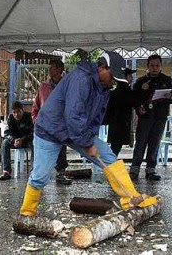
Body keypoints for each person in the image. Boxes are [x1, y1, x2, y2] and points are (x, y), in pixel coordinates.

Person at [16, 52, 157, 222]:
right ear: (102, 67)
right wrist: (87, 143)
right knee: (41, 175)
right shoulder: (80, 79)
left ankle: (131, 199)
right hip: (50, 129)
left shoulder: (103, 87)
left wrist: (90, 138)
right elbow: (73, 115)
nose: (114, 82)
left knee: (107, 156)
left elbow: (96, 117)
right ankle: (27, 213)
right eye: (113, 77)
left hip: (76, 129)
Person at [129, 54, 172, 181]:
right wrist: (139, 104)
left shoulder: (167, 80)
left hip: (160, 117)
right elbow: (133, 99)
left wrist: (170, 97)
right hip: (145, 117)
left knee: (154, 144)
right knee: (140, 143)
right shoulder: (141, 81)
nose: (155, 68)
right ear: (148, 66)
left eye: (157, 66)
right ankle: (134, 170)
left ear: (161, 66)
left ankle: (150, 170)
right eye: (152, 65)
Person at [32, 60, 72, 185]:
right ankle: (37, 176)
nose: (49, 69)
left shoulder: (67, 85)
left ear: (59, 69)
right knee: (41, 151)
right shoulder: (44, 87)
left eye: (52, 67)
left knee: (61, 149)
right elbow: (36, 106)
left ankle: (61, 173)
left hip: (61, 124)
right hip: (45, 125)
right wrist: (36, 120)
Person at [104, 68, 136, 156]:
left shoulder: (118, 90)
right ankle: (110, 165)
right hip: (120, 123)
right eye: (129, 76)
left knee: (115, 147)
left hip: (116, 123)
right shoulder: (125, 90)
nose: (131, 78)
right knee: (115, 148)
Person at [0, 101, 34, 180]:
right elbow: (7, 133)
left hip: (27, 141)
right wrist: (14, 140)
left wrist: (23, 140)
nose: (16, 114)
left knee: (35, 143)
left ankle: (34, 171)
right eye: (14, 112)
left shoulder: (29, 117)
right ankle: (6, 172)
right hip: (15, 141)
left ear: (22, 110)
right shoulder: (10, 118)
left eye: (18, 112)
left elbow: (34, 133)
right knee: (5, 143)